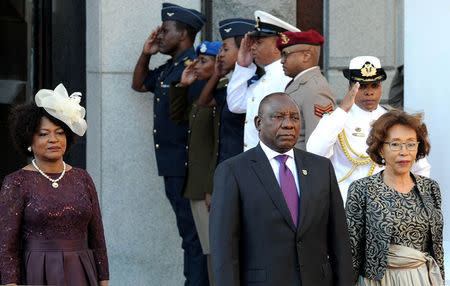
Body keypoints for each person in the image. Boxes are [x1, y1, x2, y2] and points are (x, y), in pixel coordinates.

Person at [210, 92, 353, 286]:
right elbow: (224, 249)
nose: (288, 124)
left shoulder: (320, 168)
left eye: (294, 117)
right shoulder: (233, 171)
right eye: (278, 117)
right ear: (258, 123)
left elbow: (339, 239)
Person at [131, 3, 209, 284]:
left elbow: (200, 121)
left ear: (184, 33)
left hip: (188, 168)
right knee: (189, 234)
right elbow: (139, 84)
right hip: (173, 167)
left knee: (195, 237)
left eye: (166, 30)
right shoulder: (170, 67)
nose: (159, 35)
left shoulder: (197, 67)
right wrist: (145, 54)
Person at [0, 84, 109, 286]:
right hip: (36, 272)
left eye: (60, 132)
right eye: (44, 134)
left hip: (82, 272)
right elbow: (7, 246)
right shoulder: (16, 182)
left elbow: (98, 236)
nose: (53, 139)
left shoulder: (82, 178)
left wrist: (103, 280)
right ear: (29, 140)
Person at [306, 56, 430, 202]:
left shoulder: (393, 120)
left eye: (374, 86)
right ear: (350, 88)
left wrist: (415, 200)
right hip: (347, 203)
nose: (369, 92)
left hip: (387, 205)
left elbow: (419, 166)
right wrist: (342, 110)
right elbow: (314, 152)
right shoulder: (336, 120)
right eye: (362, 87)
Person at [346, 110, 443, 285]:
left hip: (421, 279)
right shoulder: (362, 189)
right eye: (395, 144)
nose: (404, 152)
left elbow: (436, 247)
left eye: (411, 144)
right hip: (378, 281)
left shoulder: (430, 188)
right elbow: (351, 249)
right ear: (381, 149)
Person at [169, 40, 222, 285]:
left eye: (203, 61)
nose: (195, 65)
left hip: (206, 187)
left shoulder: (220, 94)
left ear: (218, 64)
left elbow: (218, 147)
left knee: (213, 253)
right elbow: (177, 116)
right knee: (204, 249)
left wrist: (212, 186)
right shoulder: (203, 91)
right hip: (196, 185)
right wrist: (182, 85)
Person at [226, 11, 299, 151]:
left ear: (279, 46)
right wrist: (242, 66)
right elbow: (235, 104)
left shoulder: (286, 79)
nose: (252, 47)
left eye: (259, 42)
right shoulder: (264, 80)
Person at [197, 18, 255, 163]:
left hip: (244, 163)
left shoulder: (253, 83)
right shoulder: (233, 84)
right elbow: (205, 101)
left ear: (244, 48)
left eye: (226, 49)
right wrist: (217, 74)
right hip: (227, 162)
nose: (220, 54)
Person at [277, 29, 336, 150]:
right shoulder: (300, 83)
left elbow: (319, 143)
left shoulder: (315, 88)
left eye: (285, 54)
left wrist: (309, 169)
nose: (282, 61)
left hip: (303, 166)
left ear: (306, 56)